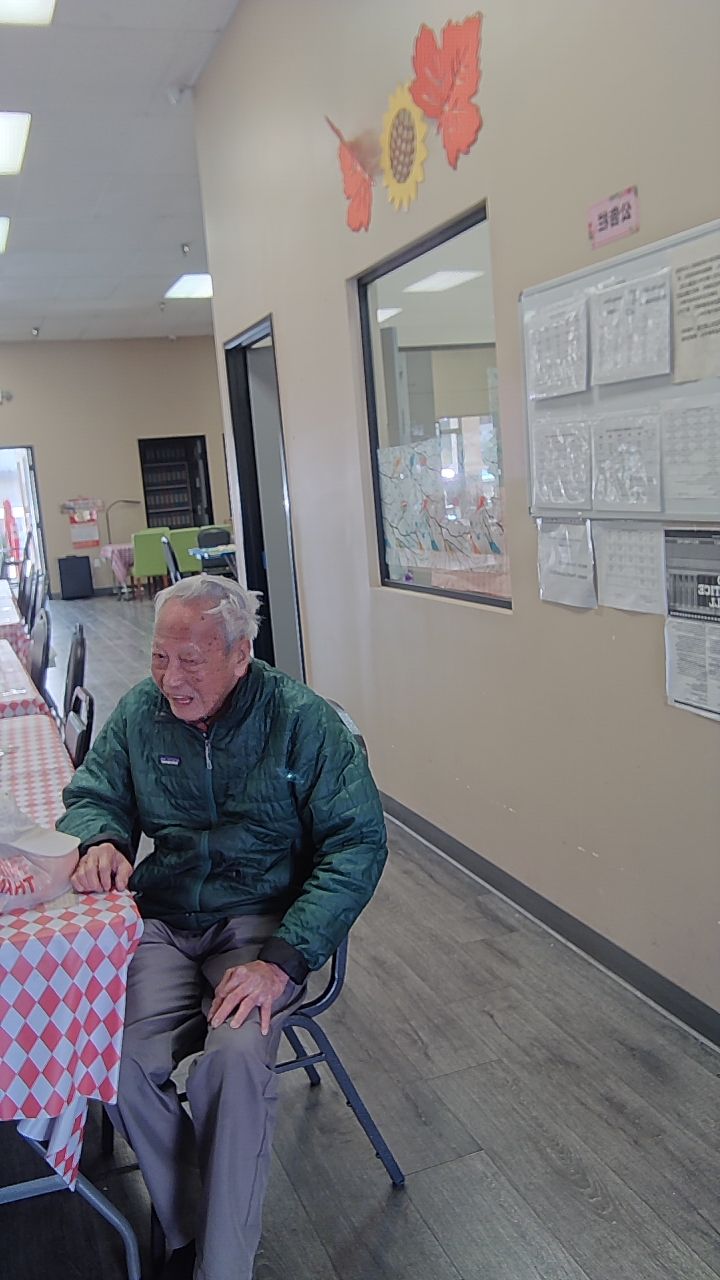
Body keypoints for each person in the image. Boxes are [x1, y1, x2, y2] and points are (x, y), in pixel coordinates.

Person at [57, 575, 388, 1280]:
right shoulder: (142, 712)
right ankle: (190, 1229)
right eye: (159, 658)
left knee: (233, 1062)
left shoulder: (301, 721)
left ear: (241, 655)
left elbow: (357, 844)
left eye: (191, 661)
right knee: (115, 1060)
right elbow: (94, 792)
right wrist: (101, 839)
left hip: (263, 927)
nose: (170, 680)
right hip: (168, 919)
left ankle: (222, 1268)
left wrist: (284, 959)